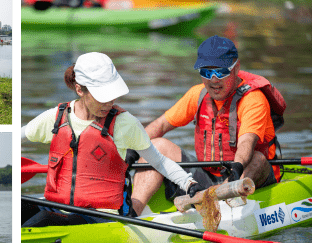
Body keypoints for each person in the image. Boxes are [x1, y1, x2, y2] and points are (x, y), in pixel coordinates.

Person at [21, 52, 203, 217]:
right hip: (57, 207)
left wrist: (188, 183)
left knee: (43, 219)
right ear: (79, 90)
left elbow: (159, 161)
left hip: (101, 216)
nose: (109, 102)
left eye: (112, 94)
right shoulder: (57, 117)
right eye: (103, 95)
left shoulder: (124, 124)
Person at [132, 35, 285, 215]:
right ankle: (132, 213)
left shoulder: (253, 100)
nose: (213, 80)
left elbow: (246, 143)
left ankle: (224, 205)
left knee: (258, 158)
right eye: (206, 72)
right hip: (206, 176)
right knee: (155, 145)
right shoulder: (198, 95)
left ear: (236, 68)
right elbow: (161, 125)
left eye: (220, 72)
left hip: (243, 174)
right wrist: (130, 151)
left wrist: (236, 170)